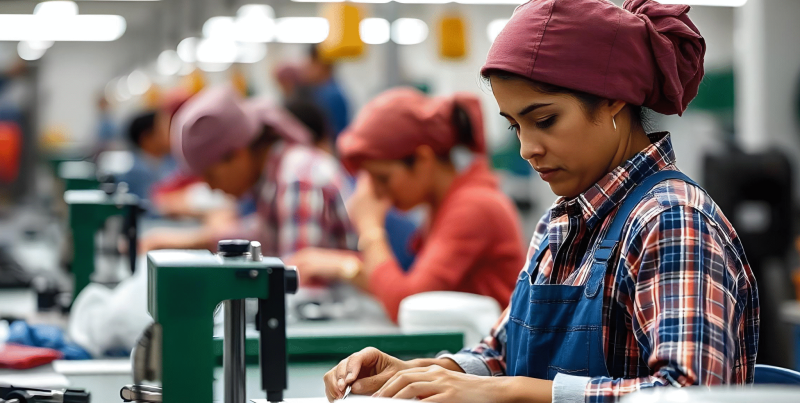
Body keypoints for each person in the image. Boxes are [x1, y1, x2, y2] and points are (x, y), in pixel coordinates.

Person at [321, 0, 759, 403]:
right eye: (515, 125)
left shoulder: (671, 222)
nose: (527, 149)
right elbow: (503, 350)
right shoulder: (562, 221)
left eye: (545, 120)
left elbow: (690, 397)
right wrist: (425, 372)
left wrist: (508, 392)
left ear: (613, 98)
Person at [289, 87, 526, 322]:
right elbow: (398, 288)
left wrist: (370, 228)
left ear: (423, 159)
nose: (377, 193)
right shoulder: (447, 204)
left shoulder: (474, 206)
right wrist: (344, 266)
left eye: (383, 178)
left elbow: (405, 305)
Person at [140, 86, 353, 257]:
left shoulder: (298, 181)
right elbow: (263, 233)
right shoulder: (275, 175)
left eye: (211, 175)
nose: (211, 187)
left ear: (237, 155)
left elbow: (302, 287)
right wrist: (186, 242)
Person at [117, 111, 177, 202]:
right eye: (165, 130)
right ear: (146, 138)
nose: (172, 134)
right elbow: (150, 207)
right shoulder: (135, 173)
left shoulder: (169, 162)